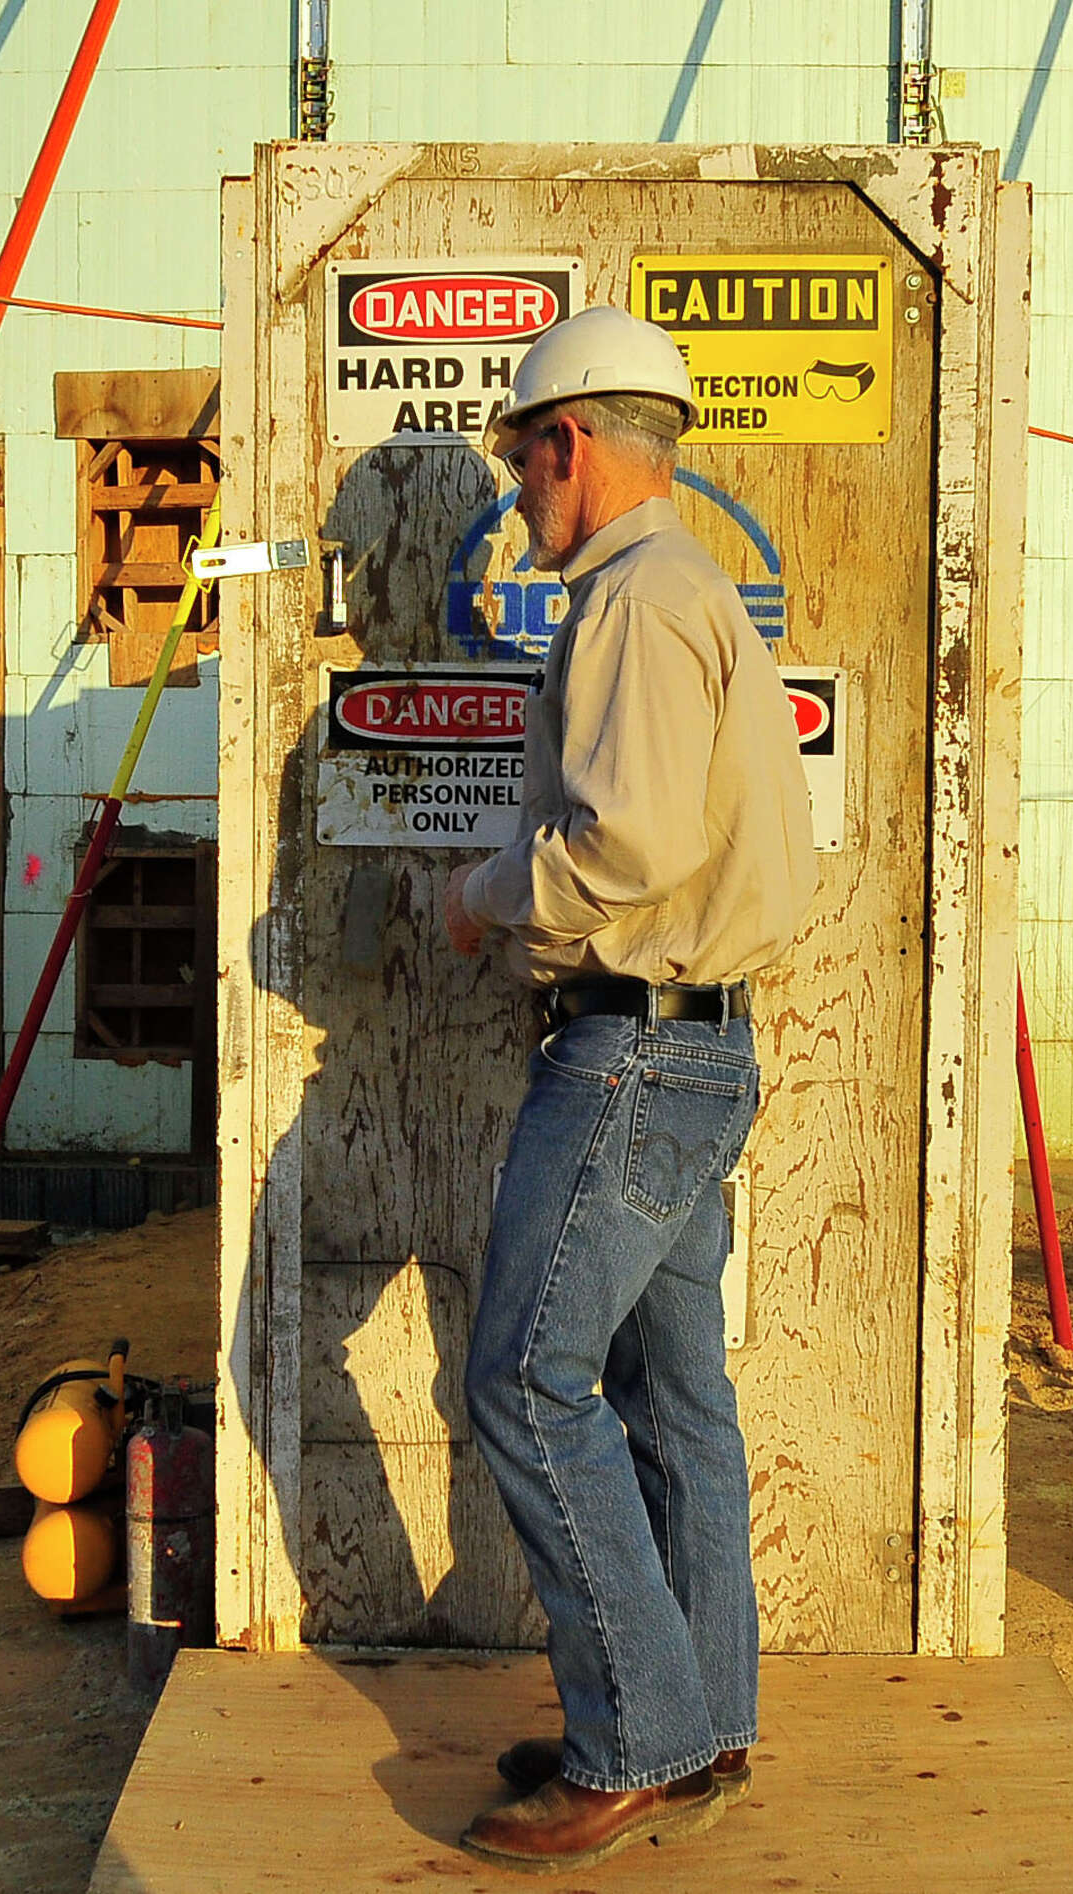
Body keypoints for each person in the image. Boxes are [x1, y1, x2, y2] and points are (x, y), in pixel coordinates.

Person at [443, 305, 817, 1874]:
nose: (521, 494)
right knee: (675, 1404)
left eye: (524, 461)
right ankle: (699, 1716)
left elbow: (629, 848)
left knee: (528, 1383)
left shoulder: (631, 605)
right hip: (699, 1041)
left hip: (635, 1043)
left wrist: (485, 897)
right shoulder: (697, 594)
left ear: (570, 442)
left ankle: (633, 1740)